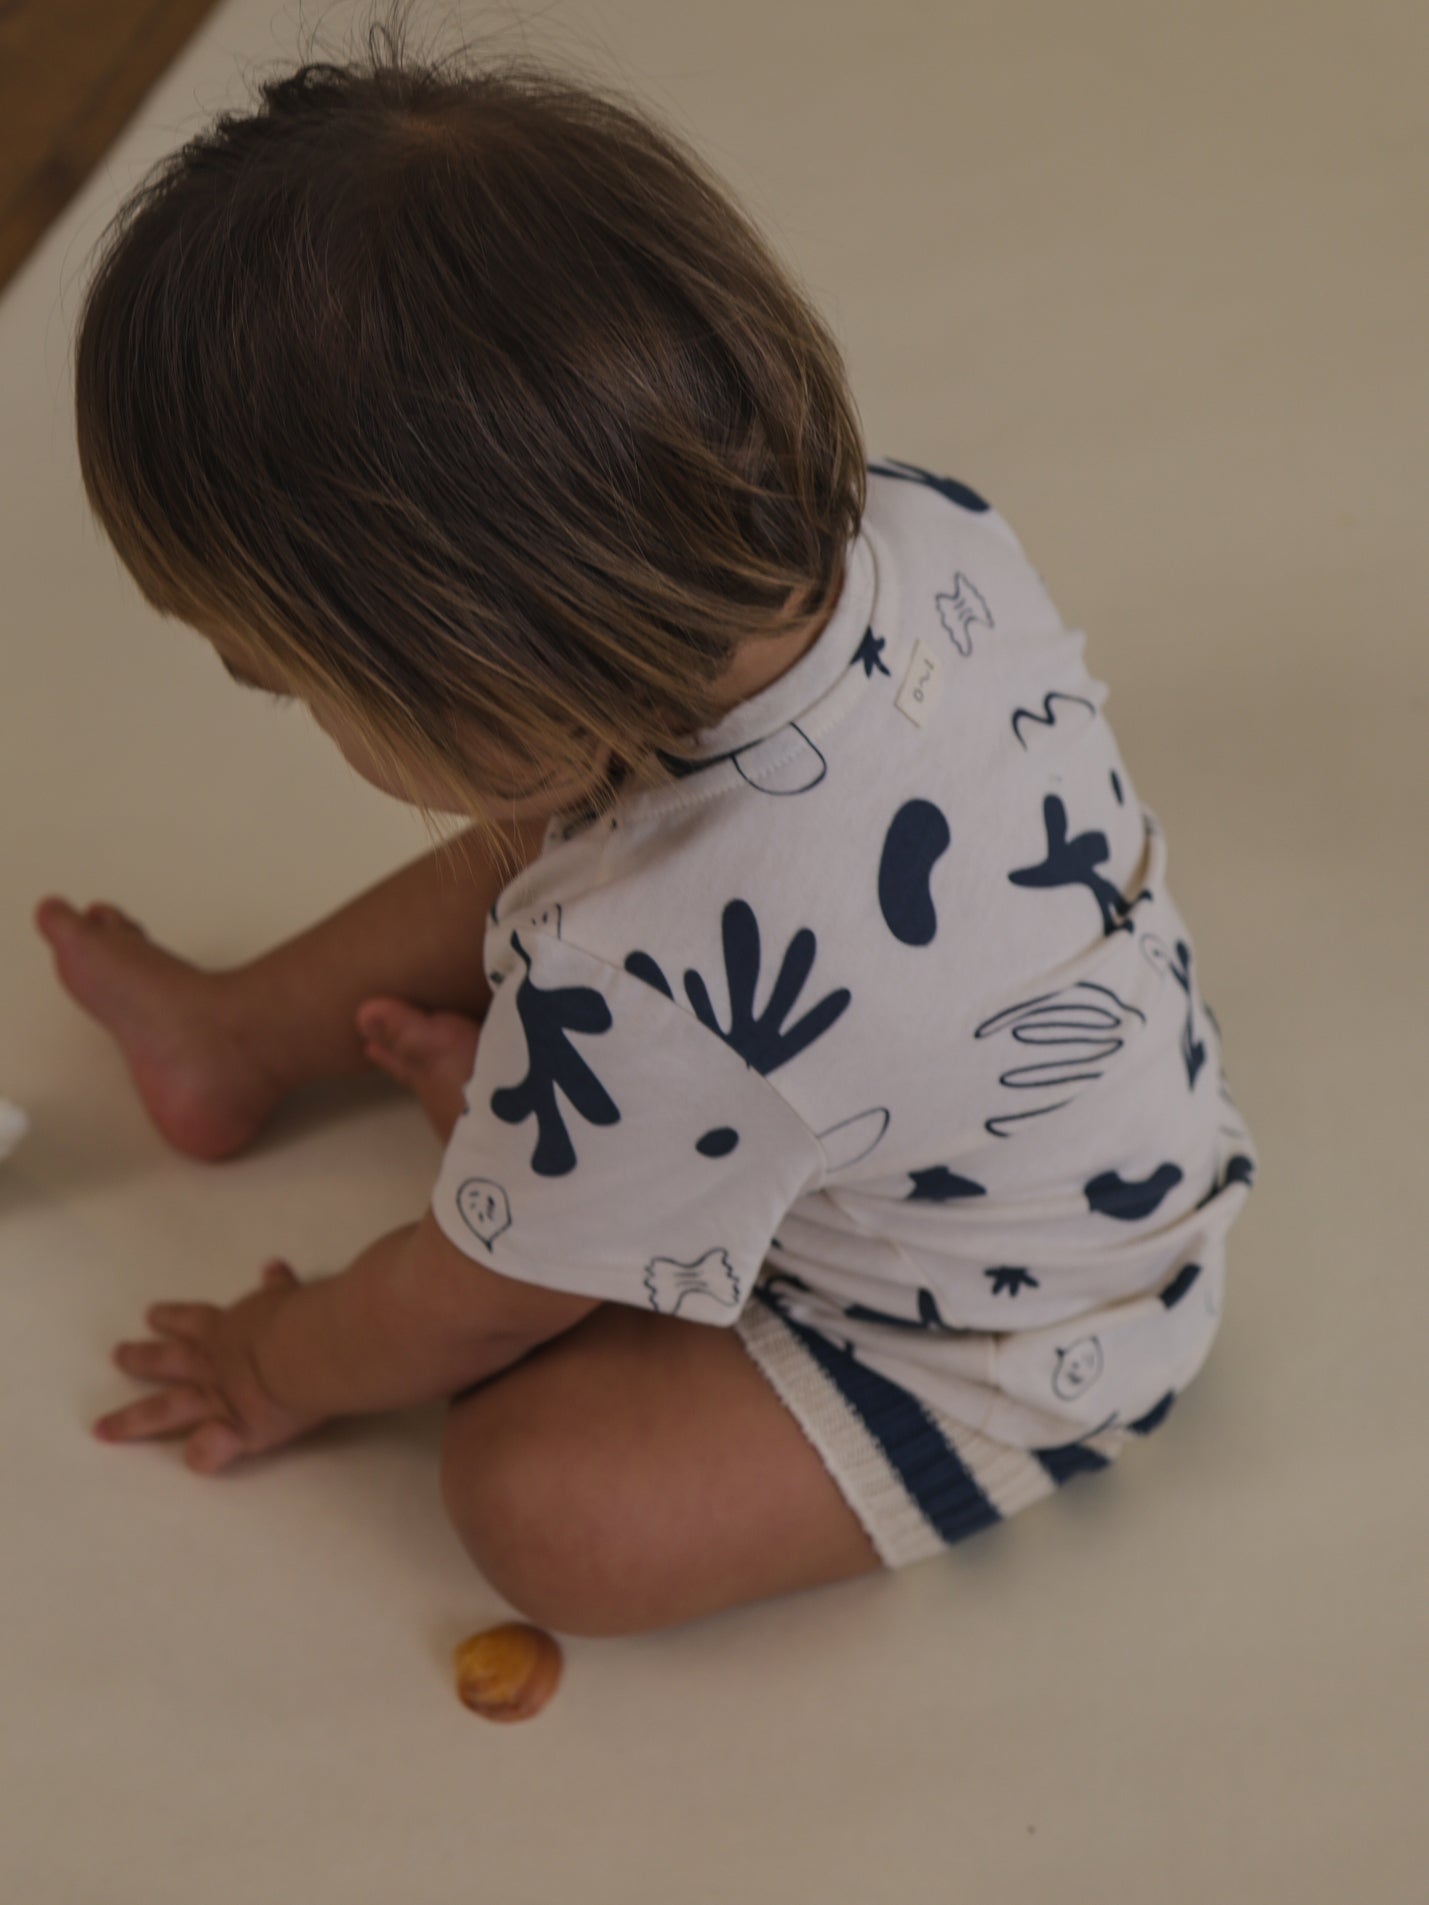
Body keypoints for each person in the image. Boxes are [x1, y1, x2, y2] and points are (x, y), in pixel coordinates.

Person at [35, 8, 1259, 1638]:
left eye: (289, 685)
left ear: (474, 669)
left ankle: (619, 1206)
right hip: (910, 1083)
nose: (299, 717)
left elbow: (466, 1300)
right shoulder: (921, 528)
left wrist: (276, 1356)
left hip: (1006, 1346)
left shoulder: (642, 969)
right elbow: (657, 885)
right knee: (572, 855)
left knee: (540, 1505)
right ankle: (251, 1036)